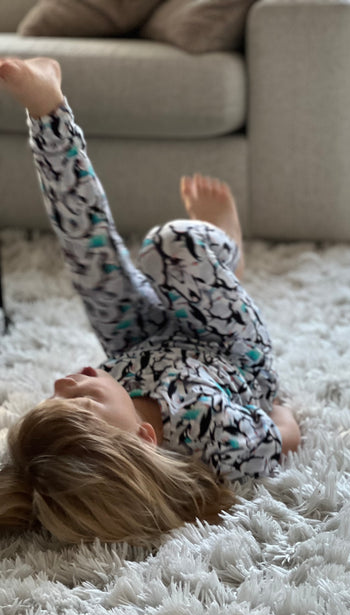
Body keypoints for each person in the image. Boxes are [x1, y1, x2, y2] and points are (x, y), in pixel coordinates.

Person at [0, 57, 300, 544]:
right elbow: (279, 439)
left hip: (139, 344)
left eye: (54, 398)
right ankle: (226, 261)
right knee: (171, 245)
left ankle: (47, 110)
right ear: (144, 437)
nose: (63, 382)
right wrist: (276, 402)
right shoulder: (211, 431)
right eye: (81, 404)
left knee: (90, 256)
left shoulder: (82, 422)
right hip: (226, 349)